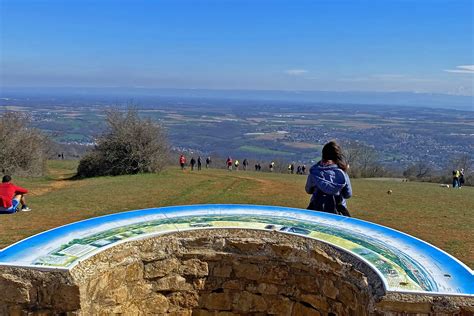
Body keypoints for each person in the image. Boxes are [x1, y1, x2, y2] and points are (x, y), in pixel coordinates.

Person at [305, 141, 352, 216]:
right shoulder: (342, 173)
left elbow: (308, 190)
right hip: (337, 213)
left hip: (316, 211)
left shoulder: (315, 171)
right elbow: (348, 194)